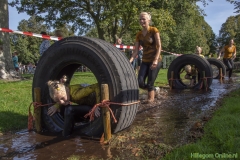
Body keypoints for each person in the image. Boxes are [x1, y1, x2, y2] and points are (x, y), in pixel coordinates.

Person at [130, 12, 162, 103]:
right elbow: (135, 51)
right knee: (140, 82)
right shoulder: (139, 34)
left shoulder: (153, 30)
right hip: (145, 60)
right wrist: (129, 62)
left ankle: (150, 102)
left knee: (150, 83)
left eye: (143, 19)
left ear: (149, 20)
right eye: (140, 19)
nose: (141, 21)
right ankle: (154, 90)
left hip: (155, 60)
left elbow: (159, 46)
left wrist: (155, 60)